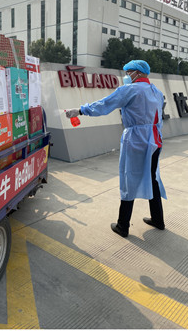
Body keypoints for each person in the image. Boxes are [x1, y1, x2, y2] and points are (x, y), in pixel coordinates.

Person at [65, 59, 167, 238]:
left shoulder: (129, 90)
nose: (126, 76)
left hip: (136, 140)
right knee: (153, 179)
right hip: (155, 140)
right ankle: (158, 219)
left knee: (129, 179)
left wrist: (80, 110)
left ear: (137, 73)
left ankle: (123, 225)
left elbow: (104, 105)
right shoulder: (156, 92)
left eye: (128, 73)